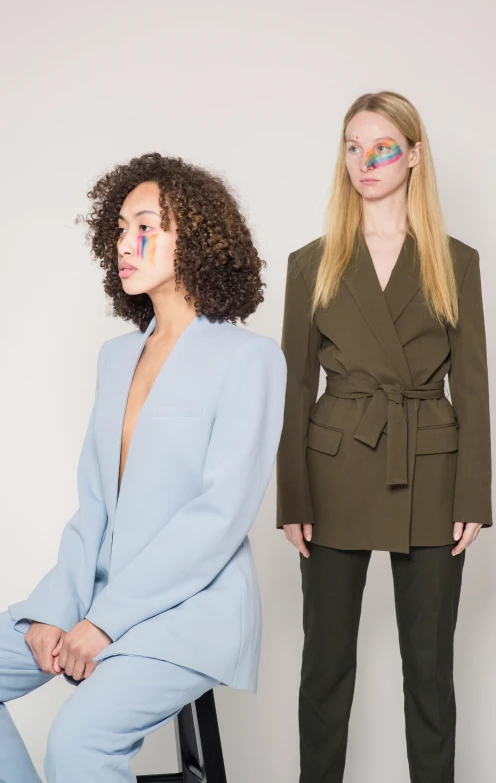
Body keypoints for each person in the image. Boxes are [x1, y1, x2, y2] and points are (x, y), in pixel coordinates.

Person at [0, 152, 286, 782]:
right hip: (93, 594)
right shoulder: (114, 358)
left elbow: (218, 518)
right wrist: (57, 608)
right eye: (121, 229)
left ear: (198, 239)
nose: (126, 244)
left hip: (190, 611)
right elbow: (95, 506)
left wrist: (103, 622)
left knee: (76, 744)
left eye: (146, 227)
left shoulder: (249, 360)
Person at [277, 91, 492, 783]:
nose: (365, 162)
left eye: (383, 147)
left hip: (430, 467)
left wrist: (473, 494)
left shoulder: (454, 261)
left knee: (429, 671)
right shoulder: (311, 263)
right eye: (352, 146)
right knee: (325, 666)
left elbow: (476, 384)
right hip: (335, 466)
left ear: (415, 157)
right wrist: (292, 496)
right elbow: (292, 386)